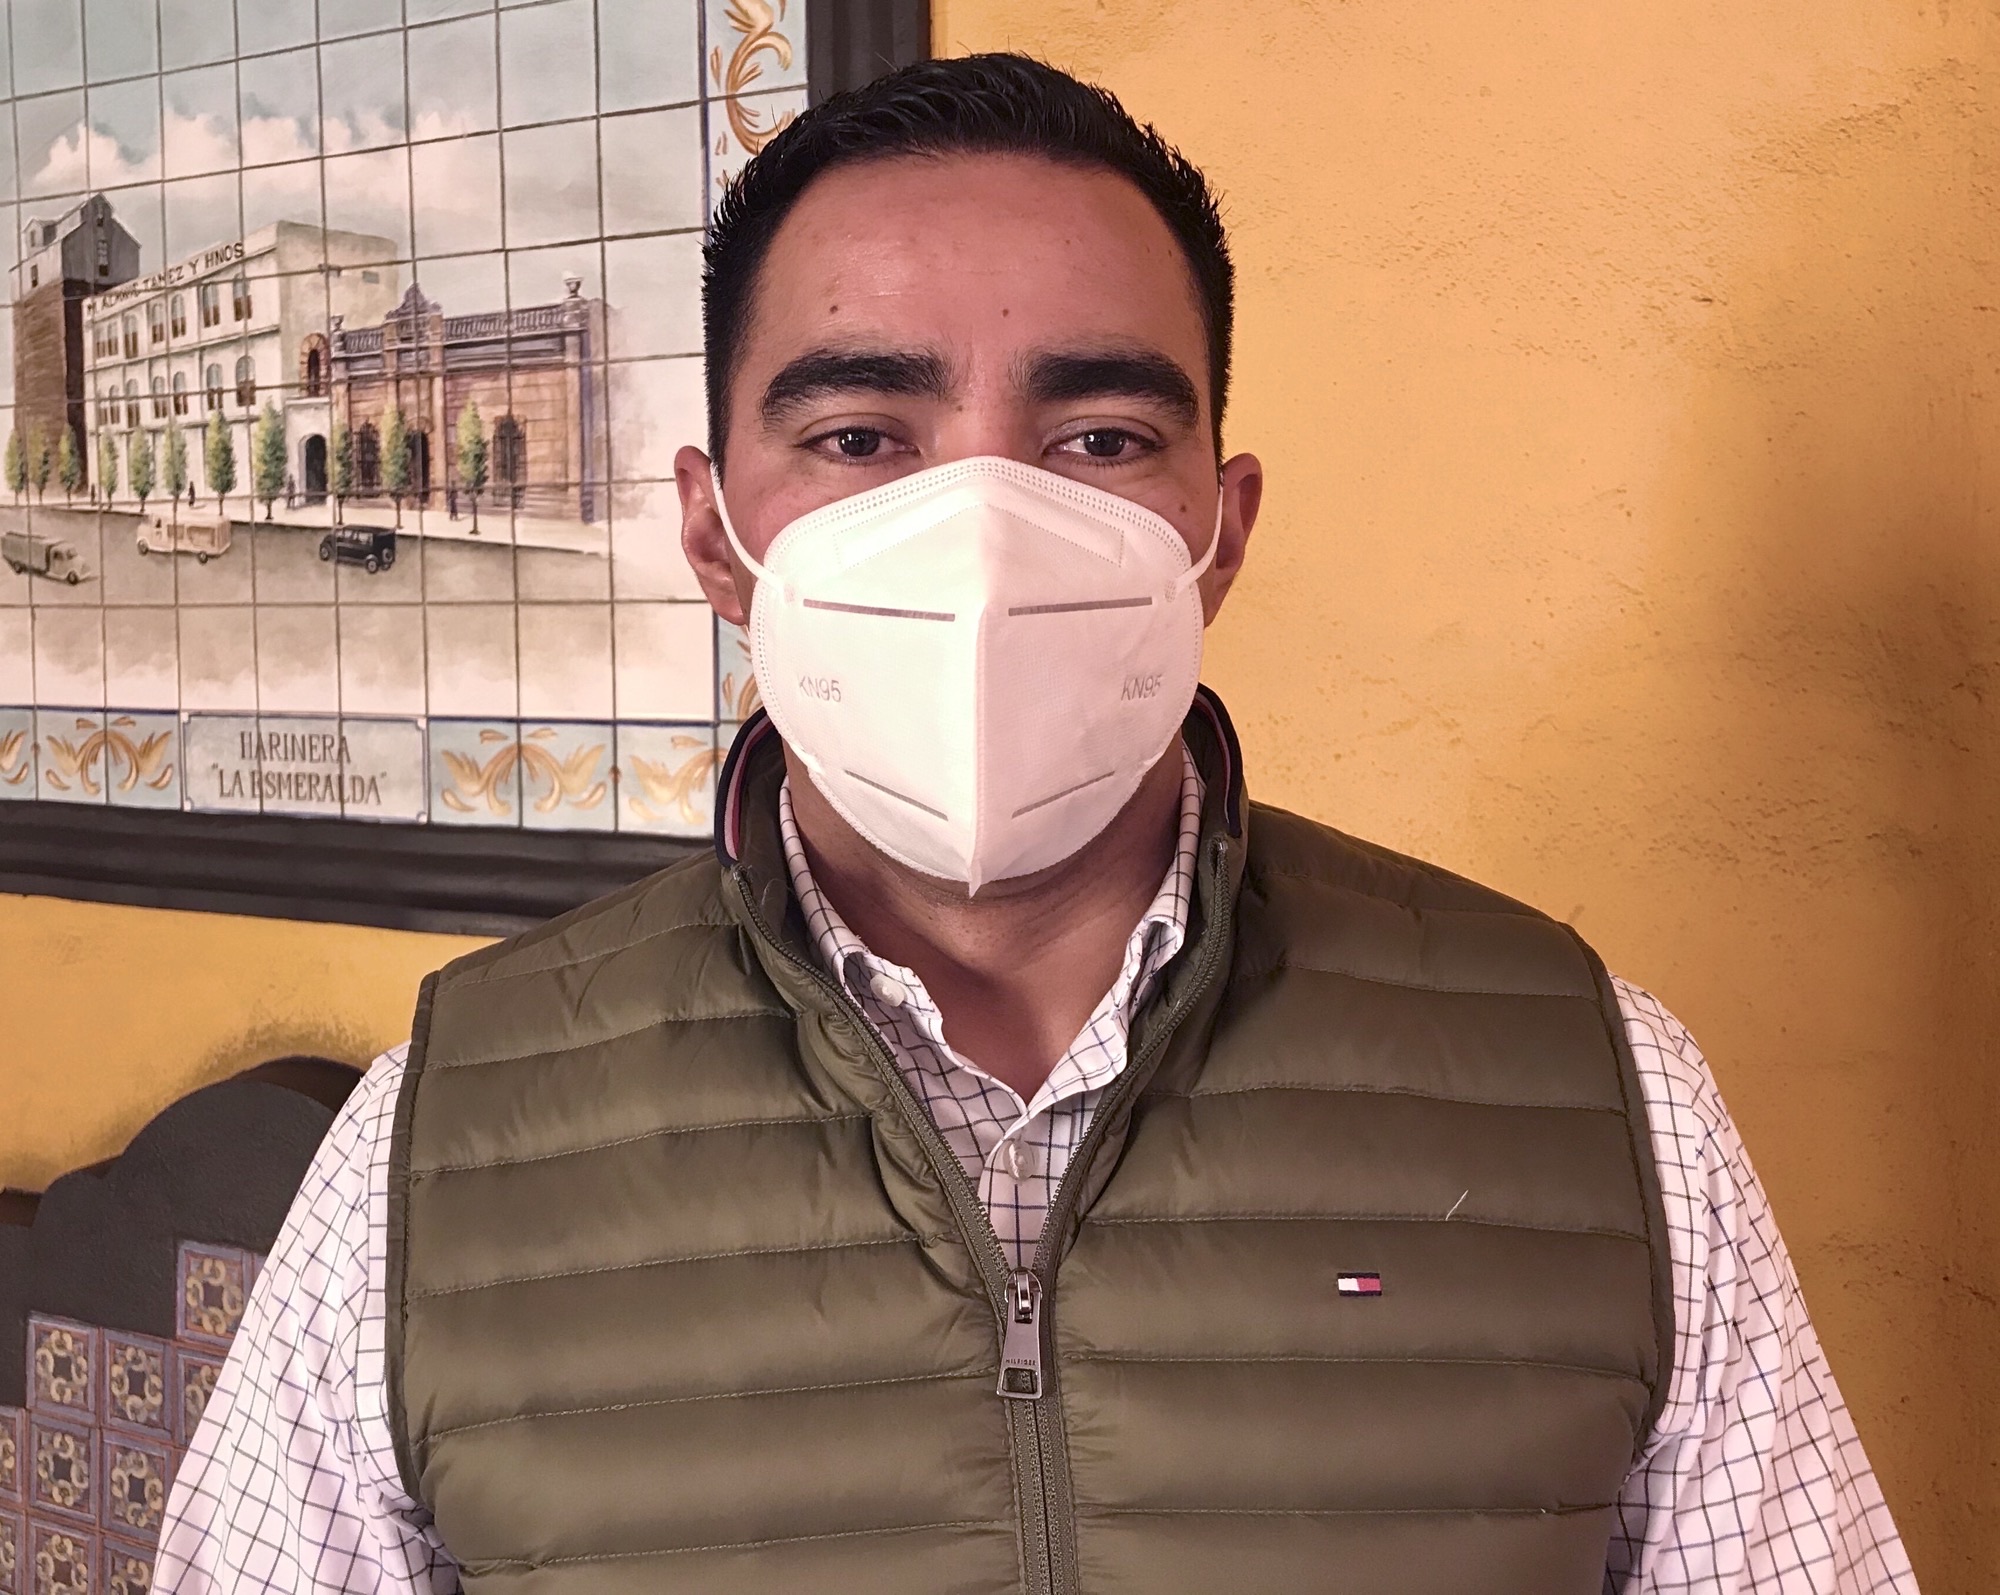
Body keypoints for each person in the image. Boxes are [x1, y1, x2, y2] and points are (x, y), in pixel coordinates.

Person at [156, 54, 1918, 1595]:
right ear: (715, 538)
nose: (982, 536)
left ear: (1218, 532)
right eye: (861, 436)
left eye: (1099, 439)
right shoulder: (435, 1154)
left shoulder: (1596, 1096)